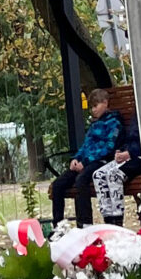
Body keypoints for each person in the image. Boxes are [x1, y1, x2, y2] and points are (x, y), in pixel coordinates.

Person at [49, 87, 122, 227]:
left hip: (100, 162)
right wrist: (76, 159)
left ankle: (85, 222)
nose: (93, 110)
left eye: (96, 106)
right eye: (91, 107)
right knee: (58, 184)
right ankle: (57, 225)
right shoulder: (94, 125)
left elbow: (108, 148)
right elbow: (85, 146)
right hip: (84, 162)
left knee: (81, 180)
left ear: (105, 103)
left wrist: (86, 161)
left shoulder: (114, 124)